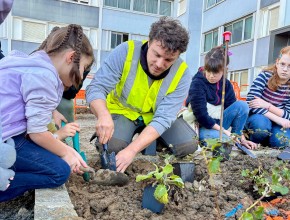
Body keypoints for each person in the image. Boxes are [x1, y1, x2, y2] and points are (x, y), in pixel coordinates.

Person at [86, 16, 197, 173]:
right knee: (113, 147)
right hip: (123, 112)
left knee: (188, 145)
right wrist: (103, 115)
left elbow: (164, 118)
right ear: (149, 41)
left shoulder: (182, 74)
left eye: (168, 59)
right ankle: (125, 135)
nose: (159, 64)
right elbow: (96, 88)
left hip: (155, 117)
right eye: (156, 55)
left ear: (178, 56)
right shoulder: (126, 52)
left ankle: (155, 141)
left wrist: (131, 151)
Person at [0, 24, 94, 202]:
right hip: (5, 141)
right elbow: (37, 134)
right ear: (71, 57)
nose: (81, 76)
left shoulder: (23, 60)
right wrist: (66, 153)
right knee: (59, 172)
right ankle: (5, 182)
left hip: (5, 134)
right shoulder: (47, 76)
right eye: (84, 68)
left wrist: (53, 112)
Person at [187, 46, 257, 149]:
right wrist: (225, 132)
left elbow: (234, 110)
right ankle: (230, 141)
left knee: (242, 106)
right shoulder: (197, 83)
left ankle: (236, 140)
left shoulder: (226, 85)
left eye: (215, 72)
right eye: (208, 71)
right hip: (203, 126)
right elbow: (201, 116)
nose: (211, 76)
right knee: (224, 141)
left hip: (220, 124)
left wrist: (242, 139)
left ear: (225, 70)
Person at [246, 46, 290, 148]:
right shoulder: (265, 76)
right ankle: (254, 140)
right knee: (261, 127)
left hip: (278, 124)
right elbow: (251, 102)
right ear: (277, 62)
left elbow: (288, 115)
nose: (285, 69)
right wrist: (278, 119)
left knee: (283, 142)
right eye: (282, 64)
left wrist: (267, 105)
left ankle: (268, 140)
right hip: (259, 118)